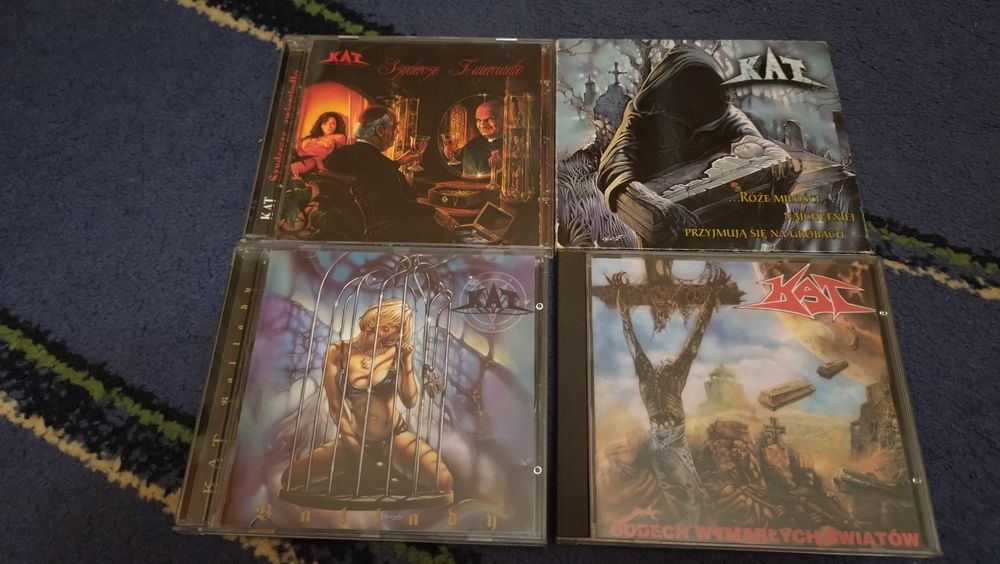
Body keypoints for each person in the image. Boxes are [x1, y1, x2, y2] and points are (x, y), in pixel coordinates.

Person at [284, 299, 453, 495]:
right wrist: (360, 456)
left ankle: (387, 474)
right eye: (397, 328)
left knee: (444, 481)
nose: (399, 335)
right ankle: (360, 472)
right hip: (354, 439)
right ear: (382, 326)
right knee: (290, 479)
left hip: (394, 437)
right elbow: (336, 408)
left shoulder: (396, 352)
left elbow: (410, 401)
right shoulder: (337, 352)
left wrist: (406, 363)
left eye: (401, 329)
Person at [322, 106, 448, 242]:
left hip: (343, 228)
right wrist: (434, 211)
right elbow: (397, 208)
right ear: (380, 131)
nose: (397, 132)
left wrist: (396, 163)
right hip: (375, 233)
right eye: (394, 127)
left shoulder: (336, 156)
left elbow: (368, 172)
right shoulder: (381, 165)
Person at [444, 99, 504, 177]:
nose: (482, 125)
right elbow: (461, 173)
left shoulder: (513, 145)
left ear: (504, 118)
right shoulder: (472, 144)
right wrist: (455, 155)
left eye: (489, 119)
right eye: (478, 120)